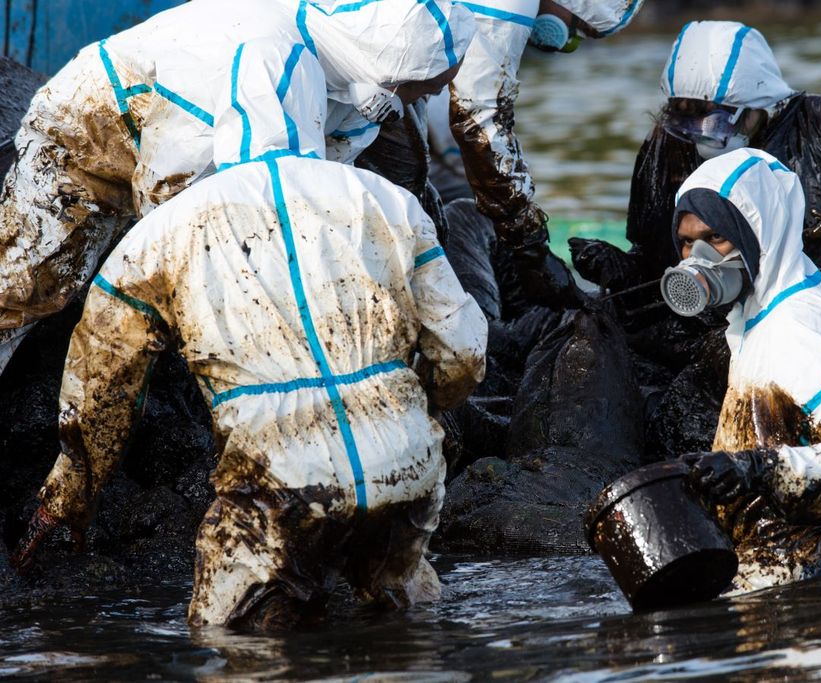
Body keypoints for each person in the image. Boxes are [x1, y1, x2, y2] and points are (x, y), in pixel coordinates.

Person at [10, 39, 487, 630]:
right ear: (319, 114)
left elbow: (102, 387)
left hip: (278, 478)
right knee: (405, 625)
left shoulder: (160, 234)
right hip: (406, 465)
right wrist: (422, 412)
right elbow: (464, 348)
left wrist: (69, 498)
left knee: (231, 638)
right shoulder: (388, 202)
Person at [0, 0, 476, 375]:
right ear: (395, 66)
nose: (430, 98)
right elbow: (213, 200)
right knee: (29, 283)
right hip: (91, 130)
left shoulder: (350, 79)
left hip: (166, 145)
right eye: (428, 86)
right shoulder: (270, 59)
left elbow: (315, 195)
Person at [570, 20, 821, 351]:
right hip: (700, 342)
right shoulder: (666, 146)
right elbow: (655, 259)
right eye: (683, 119)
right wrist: (622, 267)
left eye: (714, 119)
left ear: (758, 104)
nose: (698, 136)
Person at [662, 149, 821, 592]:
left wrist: (758, 470)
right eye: (687, 242)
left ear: (758, 233)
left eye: (716, 239)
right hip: (792, 558)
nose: (697, 256)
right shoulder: (759, 313)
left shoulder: (800, 327)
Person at [447, 0, 647, 308]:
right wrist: (531, 250)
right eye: (577, 31)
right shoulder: (512, 5)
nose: (566, 42)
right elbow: (477, 118)